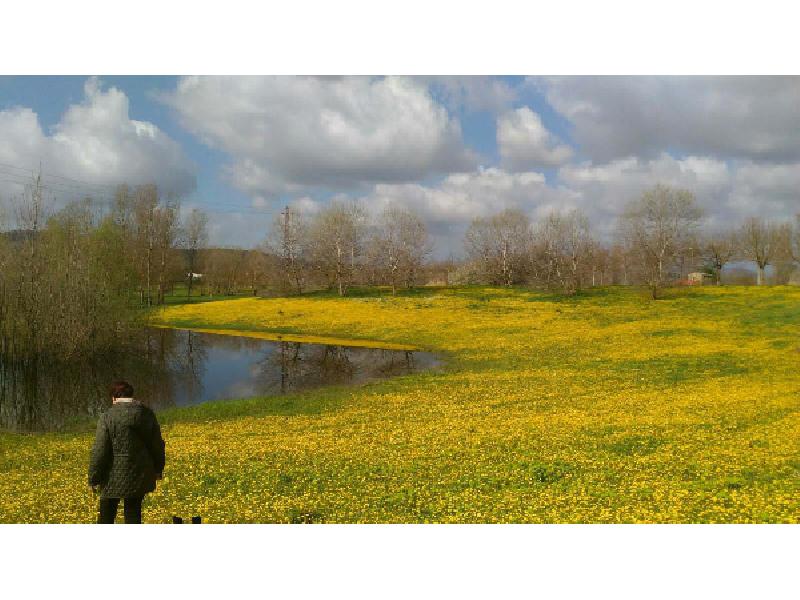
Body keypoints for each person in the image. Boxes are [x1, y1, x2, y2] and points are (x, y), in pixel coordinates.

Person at [88, 380, 166, 524]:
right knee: (133, 514)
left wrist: (94, 477)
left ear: (114, 397)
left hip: (111, 476)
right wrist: (158, 469)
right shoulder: (147, 414)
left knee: (106, 516)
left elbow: (100, 450)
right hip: (139, 474)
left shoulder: (107, 417)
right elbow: (157, 445)